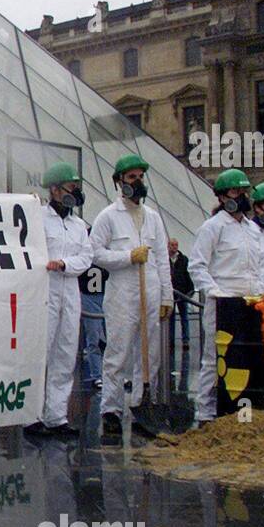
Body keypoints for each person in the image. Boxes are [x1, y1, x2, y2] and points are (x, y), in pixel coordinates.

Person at [88, 154, 172, 439]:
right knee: (118, 352)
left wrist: (166, 298)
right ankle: (110, 409)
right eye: (132, 177)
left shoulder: (153, 218)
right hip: (123, 293)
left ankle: (139, 403)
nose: (137, 182)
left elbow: (162, 259)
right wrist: (127, 257)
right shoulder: (108, 216)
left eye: (140, 177)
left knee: (149, 354)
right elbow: (95, 253)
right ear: (119, 182)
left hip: (151, 290)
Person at [188, 168, 264, 426]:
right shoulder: (212, 228)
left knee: (248, 358)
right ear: (222, 197)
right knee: (214, 358)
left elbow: (257, 267)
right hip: (222, 302)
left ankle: (241, 410)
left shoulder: (253, 229)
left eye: (244, 191)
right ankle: (205, 412)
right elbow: (197, 266)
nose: (242, 196)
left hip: (250, 301)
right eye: (236, 192)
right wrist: (215, 293)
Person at [26, 162, 93, 439]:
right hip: (46, 291)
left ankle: (57, 415)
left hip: (69, 288)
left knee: (65, 354)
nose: (75, 192)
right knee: (42, 351)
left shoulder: (78, 225)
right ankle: (33, 415)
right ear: (54, 190)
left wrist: (65, 263)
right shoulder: (38, 219)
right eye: (71, 187)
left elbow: (86, 257)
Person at [78, 258, 107, 391]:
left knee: (113, 339)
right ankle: (97, 374)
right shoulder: (85, 258)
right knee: (93, 339)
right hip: (89, 297)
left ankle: (112, 373)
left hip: (106, 296)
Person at [168, 238, 194, 350]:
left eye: (176, 245)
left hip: (182, 291)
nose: (175, 247)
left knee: (184, 316)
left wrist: (190, 290)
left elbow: (187, 275)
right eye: (172, 245)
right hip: (170, 293)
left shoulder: (183, 259)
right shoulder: (165, 260)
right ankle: (170, 340)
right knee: (171, 318)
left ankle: (186, 340)